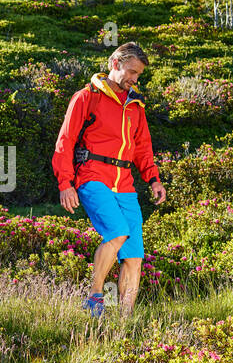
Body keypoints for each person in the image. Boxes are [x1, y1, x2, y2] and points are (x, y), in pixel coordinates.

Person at [51, 42, 166, 317]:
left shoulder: (136, 106)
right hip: (92, 177)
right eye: (132, 72)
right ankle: (95, 296)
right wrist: (65, 183)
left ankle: (125, 319)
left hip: (125, 185)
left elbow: (143, 148)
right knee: (117, 232)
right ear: (115, 63)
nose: (134, 79)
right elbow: (65, 141)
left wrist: (153, 179)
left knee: (134, 256)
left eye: (138, 75)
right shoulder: (86, 97)